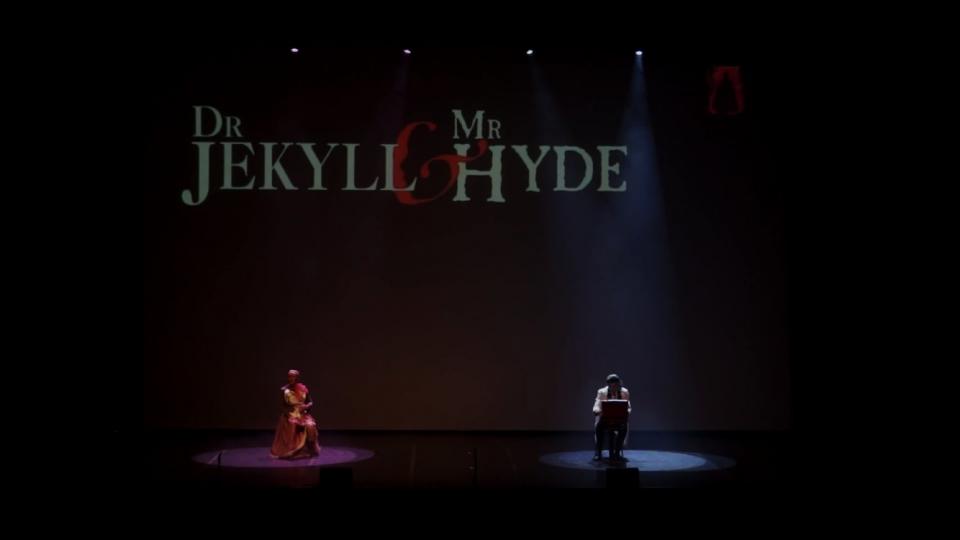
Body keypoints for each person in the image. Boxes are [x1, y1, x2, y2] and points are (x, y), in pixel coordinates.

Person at [270, 369, 321, 458]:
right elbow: (282, 406)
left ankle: (308, 449)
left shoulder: (303, 389)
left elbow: (310, 402)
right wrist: (289, 414)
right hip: (290, 413)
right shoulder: (284, 390)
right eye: (289, 376)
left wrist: (306, 406)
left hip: (303, 413)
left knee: (311, 425)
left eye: (293, 377)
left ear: (297, 378)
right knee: (293, 424)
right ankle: (292, 450)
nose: (291, 378)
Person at [593, 373, 631, 461]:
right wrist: (596, 410)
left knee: (624, 428)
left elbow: (628, 406)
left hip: (619, 419)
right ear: (609, 385)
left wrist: (627, 412)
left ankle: (617, 453)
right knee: (599, 427)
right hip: (606, 419)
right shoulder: (602, 392)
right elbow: (597, 404)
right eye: (613, 385)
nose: (615, 387)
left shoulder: (624, 391)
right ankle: (598, 452)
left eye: (617, 385)